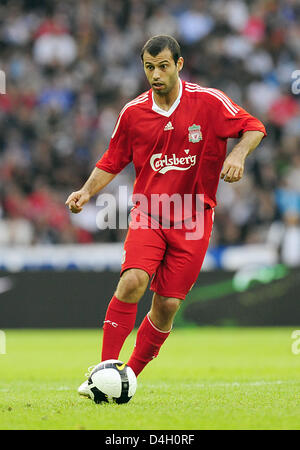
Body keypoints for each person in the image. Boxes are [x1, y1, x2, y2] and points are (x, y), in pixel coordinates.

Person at [65, 35, 266, 398]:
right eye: (148, 67)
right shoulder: (133, 112)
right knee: (132, 283)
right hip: (150, 213)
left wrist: (237, 155)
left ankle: (128, 376)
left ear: (179, 64)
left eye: (162, 66)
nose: (155, 74)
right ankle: (104, 371)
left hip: (193, 218)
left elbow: (254, 127)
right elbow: (112, 160)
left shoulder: (208, 102)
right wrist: (86, 192)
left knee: (168, 304)